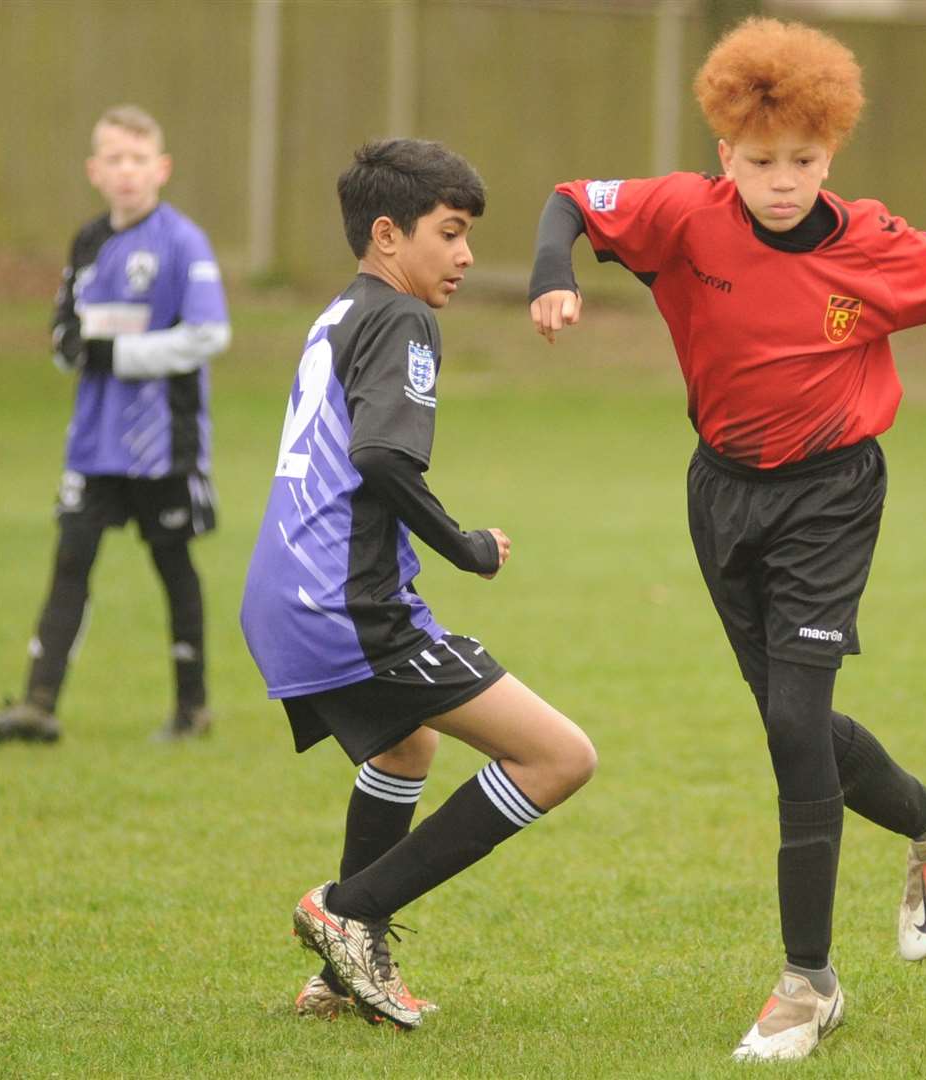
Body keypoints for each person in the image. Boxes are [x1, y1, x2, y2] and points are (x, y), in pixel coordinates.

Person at [527, 17, 926, 1061]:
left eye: (803, 162)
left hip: (830, 493)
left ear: (832, 153)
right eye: (761, 162)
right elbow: (569, 203)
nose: (782, 181)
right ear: (725, 153)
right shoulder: (684, 213)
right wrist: (557, 272)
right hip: (719, 492)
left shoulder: (869, 242)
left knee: (794, 722)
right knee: (787, 719)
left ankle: (805, 983)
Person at [239, 139, 596, 1028]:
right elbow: (383, 459)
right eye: (451, 232)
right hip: (346, 604)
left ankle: (340, 972)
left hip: (286, 593)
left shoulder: (339, 312)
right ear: (389, 235)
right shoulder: (403, 320)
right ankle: (347, 913)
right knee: (559, 757)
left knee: (407, 749)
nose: (467, 255)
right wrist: (465, 545)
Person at [0, 104, 230, 744]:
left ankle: (192, 708)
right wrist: (69, 343)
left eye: (138, 159)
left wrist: (120, 354)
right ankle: (38, 705)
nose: (126, 172)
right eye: (114, 160)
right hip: (94, 440)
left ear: (162, 169)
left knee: (172, 564)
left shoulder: (183, 242)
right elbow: (67, 328)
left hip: (162, 444)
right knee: (71, 558)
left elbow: (210, 333)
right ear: (95, 171)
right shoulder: (89, 240)